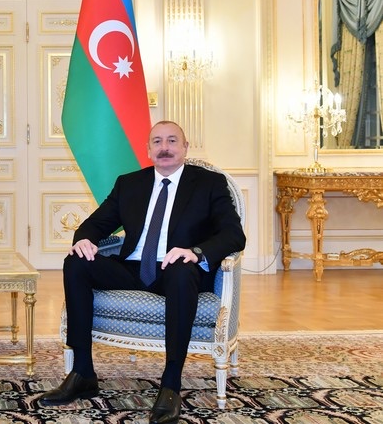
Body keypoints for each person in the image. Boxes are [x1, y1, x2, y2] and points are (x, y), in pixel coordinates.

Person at [39, 121, 245, 424]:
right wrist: (84, 239)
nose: (165, 147)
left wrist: (196, 252)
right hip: (133, 268)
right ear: (148, 150)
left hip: (178, 271)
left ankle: (171, 384)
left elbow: (233, 234)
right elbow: (96, 224)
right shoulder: (130, 184)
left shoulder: (209, 184)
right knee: (76, 261)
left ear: (185, 147)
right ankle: (82, 373)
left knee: (180, 270)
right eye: (157, 141)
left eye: (172, 140)